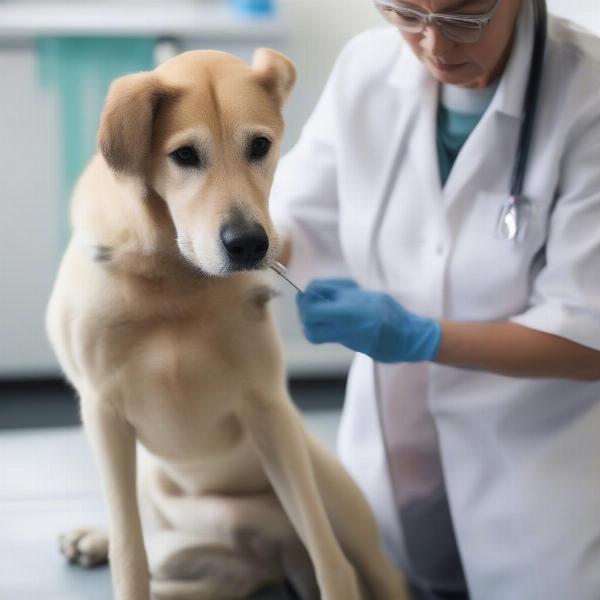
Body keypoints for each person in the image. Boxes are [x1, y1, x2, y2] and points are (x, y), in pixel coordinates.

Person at [270, 0, 600, 598]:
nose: (434, 44)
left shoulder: (588, 94)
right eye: (404, 12)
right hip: (388, 454)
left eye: (464, 17)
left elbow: (590, 336)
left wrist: (422, 337)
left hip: (539, 470)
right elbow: (296, 216)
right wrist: (232, 236)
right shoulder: (366, 70)